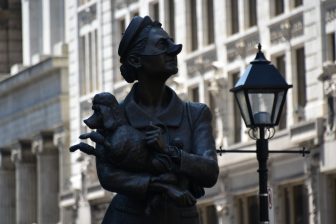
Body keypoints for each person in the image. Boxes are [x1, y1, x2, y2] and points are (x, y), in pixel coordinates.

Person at [84, 16, 219, 224]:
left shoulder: (196, 114)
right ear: (136, 60)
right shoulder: (112, 116)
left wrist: (170, 152)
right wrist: (157, 184)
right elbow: (108, 176)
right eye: (162, 45)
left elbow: (210, 172)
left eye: (171, 43)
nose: (175, 49)